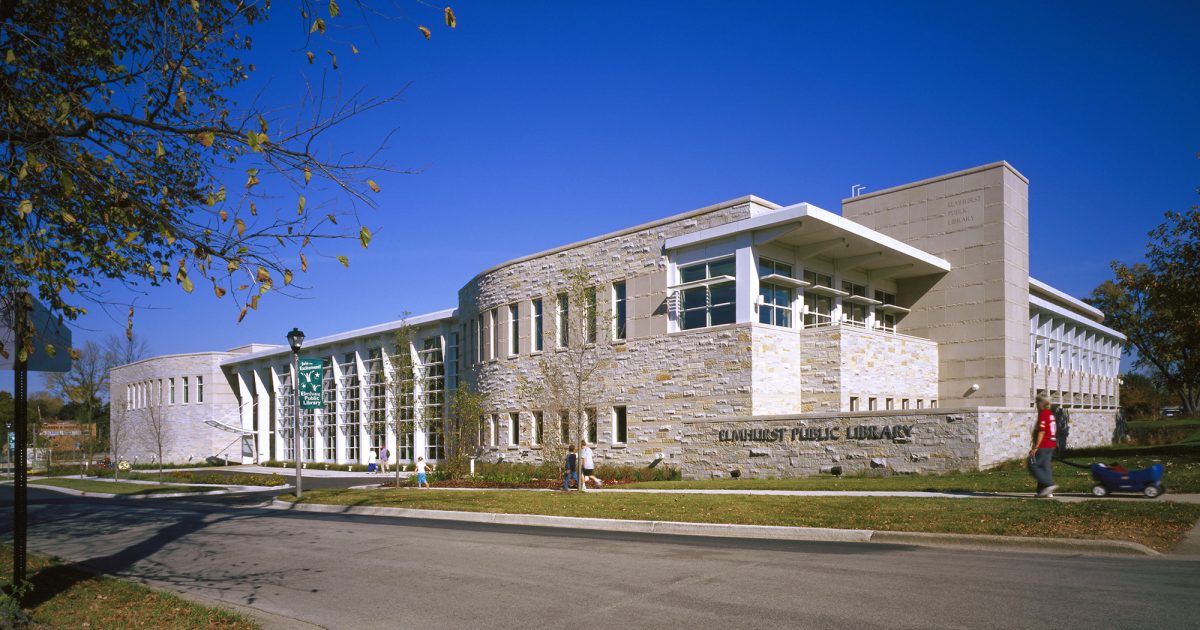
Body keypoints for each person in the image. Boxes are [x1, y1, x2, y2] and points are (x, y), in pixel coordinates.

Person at [1029, 393, 1058, 497]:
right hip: (1051, 443)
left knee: (1033, 465)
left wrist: (1035, 447)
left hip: (1044, 444)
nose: (1036, 404)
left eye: (1037, 402)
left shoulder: (1043, 414)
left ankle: (1048, 484)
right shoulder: (1050, 414)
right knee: (1045, 467)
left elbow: (1042, 431)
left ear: (1042, 403)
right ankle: (1044, 491)